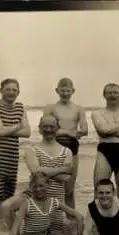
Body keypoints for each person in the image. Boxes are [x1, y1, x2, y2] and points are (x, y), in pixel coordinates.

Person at [0, 78, 31, 232]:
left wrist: (8, 129)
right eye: (8, 89)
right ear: (1, 90)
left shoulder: (20, 107)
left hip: (12, 157)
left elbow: (28, 132)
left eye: (14, 90)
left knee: (8, 193)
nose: (11, 92)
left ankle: (6, 226)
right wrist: (18, 125)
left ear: (18, 92)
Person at [5, 172, 84, 235]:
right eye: (35, 187)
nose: (38, 189)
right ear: (30, 187)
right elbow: (15, 227)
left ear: (48, 185)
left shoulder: (54, 202)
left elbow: (79, 216)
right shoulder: (27, 204)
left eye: (41, 186)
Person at [43, 77, 88, 209]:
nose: (65, 93)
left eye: (68, 91)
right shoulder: (50, 108)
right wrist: (68, 133)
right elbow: (45, 129)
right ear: (57, 90)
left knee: (69, 189)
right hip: (53, 149)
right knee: (51, 188)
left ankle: (71, 220)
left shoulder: (79, 109)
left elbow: (84, 130)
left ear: (73, 91)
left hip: (72, 149)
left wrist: (60, 131)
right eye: (62, 90)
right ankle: (50, 219)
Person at [24, 115, 73, 204]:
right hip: (36, 204)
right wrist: (62, 169)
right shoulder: (31, 150)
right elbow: (36, 171)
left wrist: (42, 171)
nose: (48, 130)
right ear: (39, 128)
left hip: (58, 204)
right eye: (45, 126)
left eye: (52, 126)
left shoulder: (67, 151)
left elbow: (66, 177)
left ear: (58, 128)